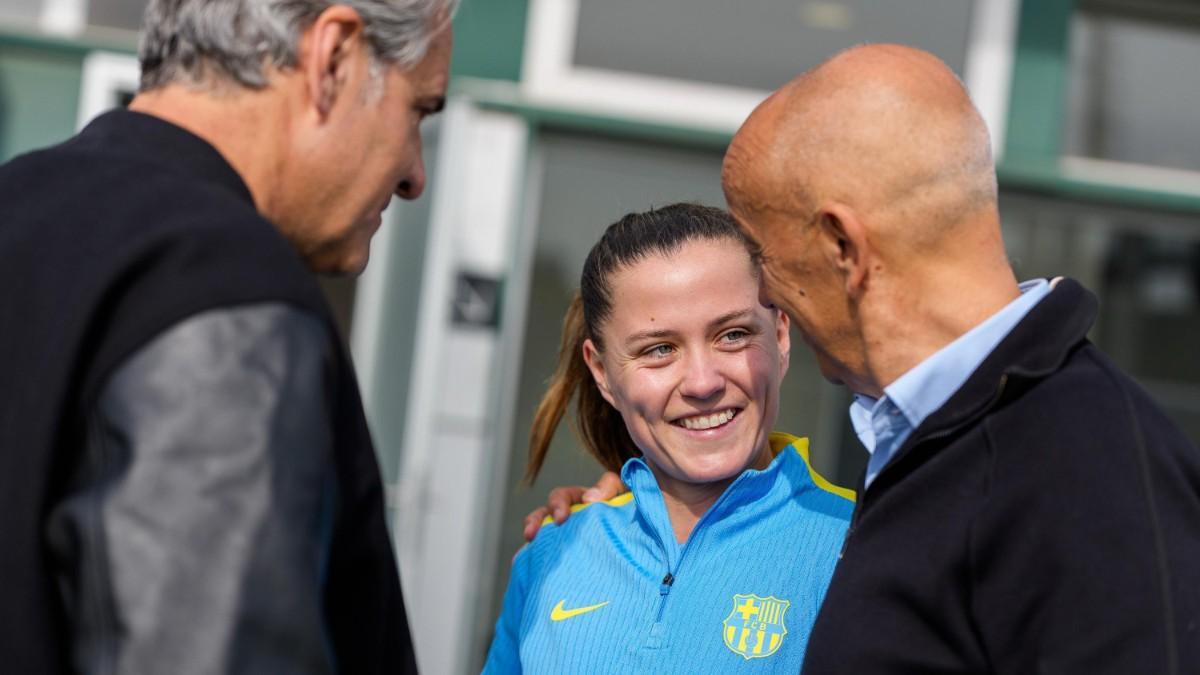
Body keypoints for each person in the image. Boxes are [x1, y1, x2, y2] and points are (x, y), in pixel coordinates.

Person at [539, 45, 1200, 673]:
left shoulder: (1087, 462)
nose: (766, 294)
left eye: (762, 257)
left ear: (841, 248)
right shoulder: (951, 440)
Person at [0, 0, 455, 672]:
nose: (416, 174)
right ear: (333, 59)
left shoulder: (18, 205)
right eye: (418, 110)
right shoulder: (225, 279)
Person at [485, 204, 854, 673]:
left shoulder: (860, 550)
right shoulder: (550, 554)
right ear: (601, 372)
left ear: (781, 336)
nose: (702, 382)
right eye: (659, 349)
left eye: (733, 334)